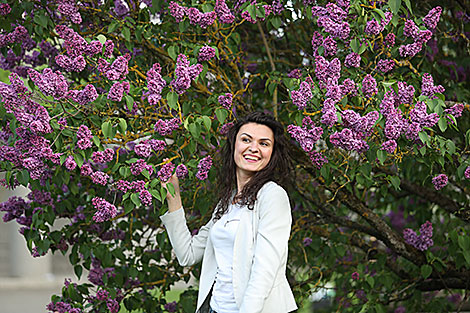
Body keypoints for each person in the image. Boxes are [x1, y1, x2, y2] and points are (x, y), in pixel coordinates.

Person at [160, 112, 297, 313]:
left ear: (272, 153)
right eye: (246, 140)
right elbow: (187, 255)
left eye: (264, 143)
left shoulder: (272, 196)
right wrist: (174, 197)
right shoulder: (228, 202)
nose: (253, 148)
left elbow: (264, 271)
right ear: (234, 145)